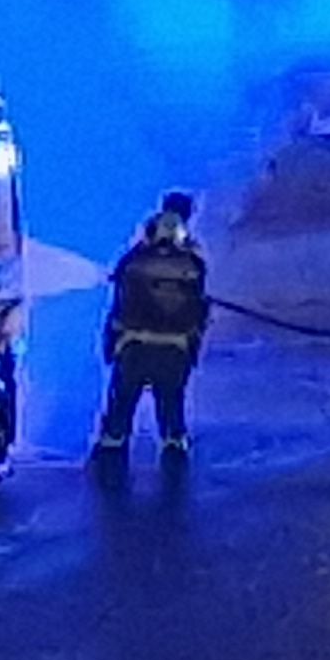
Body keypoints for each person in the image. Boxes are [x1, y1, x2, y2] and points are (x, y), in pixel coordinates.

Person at [95, 197, 212, 468]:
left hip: (133, 343)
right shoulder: (192, 261)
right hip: (175, 346)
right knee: (171, 400)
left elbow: (120, 298)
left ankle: (113, 442)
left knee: (122, 400)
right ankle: (173, 440)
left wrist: (111, 343)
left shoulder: (135, 260)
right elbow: (198, 306)